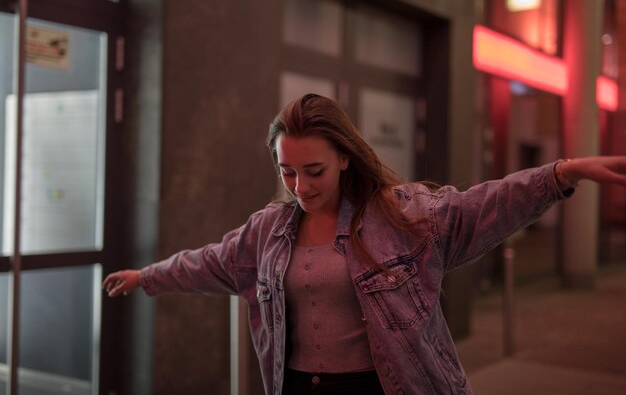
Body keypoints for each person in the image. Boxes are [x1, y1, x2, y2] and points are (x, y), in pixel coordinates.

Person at [103, 93, 626, 395]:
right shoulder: (267, 231)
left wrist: (562, 173)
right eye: (287, 173)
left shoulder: (401, 216)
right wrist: (147, 276)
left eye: (314, 171)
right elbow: (210, 263)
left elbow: (482, 206)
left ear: (346, 158)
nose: (300, 186)